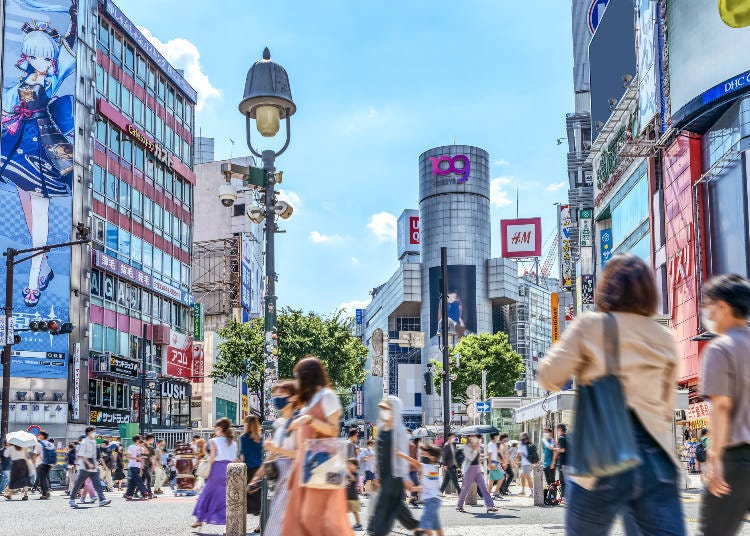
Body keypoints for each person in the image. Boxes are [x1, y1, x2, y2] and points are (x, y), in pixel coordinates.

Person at [537, 253, 684, 535]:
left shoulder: (591, 326)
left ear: (607, 287)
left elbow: (550, 376)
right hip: (657, 458)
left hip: (602, 455)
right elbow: (667, 407)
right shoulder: (664, 336)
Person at [698, 274, 750, 536]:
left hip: (735, 460)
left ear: (724, 306)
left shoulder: (720, 349)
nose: (707, 311)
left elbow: (721, 407)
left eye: (709, 304)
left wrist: (714, 459)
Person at [366, 396, 418, 536]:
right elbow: (378, 453)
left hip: (395, 476)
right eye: (382, 408)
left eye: (387, 408)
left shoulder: (399, 430)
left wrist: (405, 477)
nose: (383, 411)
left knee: (383, 510)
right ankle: (417, 527)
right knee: (395, 505)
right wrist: (376, 474)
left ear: (394, 410)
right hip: (383, 475)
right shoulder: (381, 428)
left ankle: (376, 531)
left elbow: (402, 455)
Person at [262, 380, 300, 536]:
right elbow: (273, 452)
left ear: (293, 397)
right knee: (279, 519)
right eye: (274, 395)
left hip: (293, 477)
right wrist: (258, 474)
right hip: (280, 478)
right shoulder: (279, 423)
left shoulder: (298, 422)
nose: (276, 398)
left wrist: (275, 449)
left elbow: (300, 453)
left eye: (281, 394)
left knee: (279, 520)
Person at [191, 417, 239, 529]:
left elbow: (212, 458)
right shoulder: (233, 443)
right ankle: (229, 522)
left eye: (216, 428)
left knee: (207, 494)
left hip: (217, 469)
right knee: (225, 496)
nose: (215, 430)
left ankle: (199, 519)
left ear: (220, 428)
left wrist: (205, 467)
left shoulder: (213, 441)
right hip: (230, 470)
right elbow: (234, 458)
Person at [68, 426, 111, 508]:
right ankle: (72, 499)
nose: (94, 433)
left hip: (93, 466)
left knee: (97, 483)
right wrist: (88, 463)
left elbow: (99, 456)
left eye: (95, 431)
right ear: (88, 433)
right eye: (93, 431)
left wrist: (104, 465)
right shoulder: (85, 442)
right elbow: (82, 455)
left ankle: (102, 500)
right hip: (85, 466)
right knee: (78, 483)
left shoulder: (94, 442)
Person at [456, 434, 497, 513]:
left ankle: (490, 506)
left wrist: (485, 458)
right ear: (469, 438)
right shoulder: (466, 447)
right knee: (465, 489)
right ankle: (459, 505)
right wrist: (476, 448)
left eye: (475, 436)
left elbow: (477, 459)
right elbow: (471, 458)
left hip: (477, 469)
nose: (474, 438)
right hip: (469, 470)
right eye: (472, 436)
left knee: (484, 488)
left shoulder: (476, 446)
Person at [240, 415, 263, 530]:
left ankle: (239, 525)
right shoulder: (260, 438)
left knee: (243, 498)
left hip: (248, 471)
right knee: (259, 499)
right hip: (259, 472)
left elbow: (243, 456)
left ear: (247, 424)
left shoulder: (244, 437)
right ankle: (260, 525)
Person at [123, 435, 152, 500]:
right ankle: (144, 492)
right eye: (140, 438)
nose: (142, 439)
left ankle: (128, 494)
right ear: (137, 440)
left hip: (139, 467)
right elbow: (128, 456)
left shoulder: (141, 448)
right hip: (133, 466)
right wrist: (136, 458)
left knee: (133, 482)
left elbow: (147, 453)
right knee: (139, 480)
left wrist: (143, 445)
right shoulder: (131, 447)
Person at [33, 430, 55, 499]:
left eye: (39, 435)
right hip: (49, 464)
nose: (39, 436)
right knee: (45, 478)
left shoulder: (39, 444)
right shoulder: (51, 444)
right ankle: (46, 491)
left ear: (42, 436)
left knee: (42, 479)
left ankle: (45, 494)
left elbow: (35, 454)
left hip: (41, 464)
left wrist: (33, 462)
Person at [346, 458, 363, 530]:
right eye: (347, 464)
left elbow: (353, 479)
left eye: (350, 464)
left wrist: (348, 472)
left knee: (355, 512)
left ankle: (358, 525)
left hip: (353, 497)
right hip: (345, 497)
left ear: (356, 466)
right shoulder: (346, 474)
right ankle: (343, 524)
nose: (348, 466)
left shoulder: (355, 474)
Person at [516, 433, 534, 497]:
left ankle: (533, 492)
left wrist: (515, 461)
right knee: (522, 476)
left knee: (528, 477)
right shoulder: (530, 444)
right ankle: (523, 491)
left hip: (526, 464)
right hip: (530, 463)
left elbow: (518, 455)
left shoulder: (521, 444)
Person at [487, 432, 504, 498]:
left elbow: (494, 455)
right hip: (493, 464)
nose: (498, 437)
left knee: (491, 480)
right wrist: (490, 464)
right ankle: (495, 493)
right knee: (502, 477)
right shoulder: (491, 444)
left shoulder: (493, 444)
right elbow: (489, 454)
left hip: (495, 463)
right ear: (495, 436)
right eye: (498, 436)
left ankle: (488, 495)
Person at [408, 437, 421, 507]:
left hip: (411, 469)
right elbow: (414, 458)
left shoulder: (413, 446)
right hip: (411, 469)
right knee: (415, 484)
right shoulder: (412, 446)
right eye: (419, 441)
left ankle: (412, 499)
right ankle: (413, 499)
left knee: (414, 484)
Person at [555, 424, 568, 499]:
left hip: (563, 463)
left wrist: (556, 449)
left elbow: (562, 449)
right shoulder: (568, 437)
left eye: (557, 429)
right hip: (569, 462)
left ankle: (563, 497)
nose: (556, 431)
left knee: (562, 480)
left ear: (560, 429)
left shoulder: (561, 438)